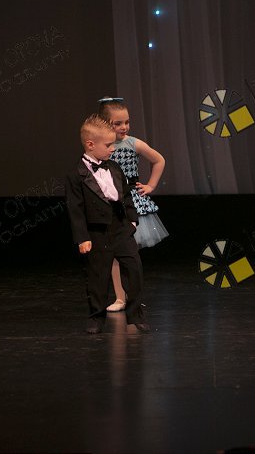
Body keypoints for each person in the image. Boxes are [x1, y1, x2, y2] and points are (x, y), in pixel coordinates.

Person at [65, 114, 150, 334]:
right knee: (97, 276)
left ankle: (135, 315)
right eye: (108, 145)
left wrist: (132, 219)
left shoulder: (114, 167)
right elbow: (75, 209)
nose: (112, 149)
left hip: (120, 226)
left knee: (134, 269)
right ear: (90, 144)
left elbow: (126, 194)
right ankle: (96, 317)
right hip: (97, 232)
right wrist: (82, 237)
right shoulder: (76, 174)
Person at [98, 97, 168, 312]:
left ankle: (133, 298)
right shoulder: (103, 146)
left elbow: (159, 160)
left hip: (130, 202)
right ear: (105, 123)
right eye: (117, 123)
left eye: (126, 122)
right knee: (114, 255)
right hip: (111, 202)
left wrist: (151, 185)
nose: (124, 127)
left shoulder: (133, 143)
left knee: (129, 255)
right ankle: (120, 298)